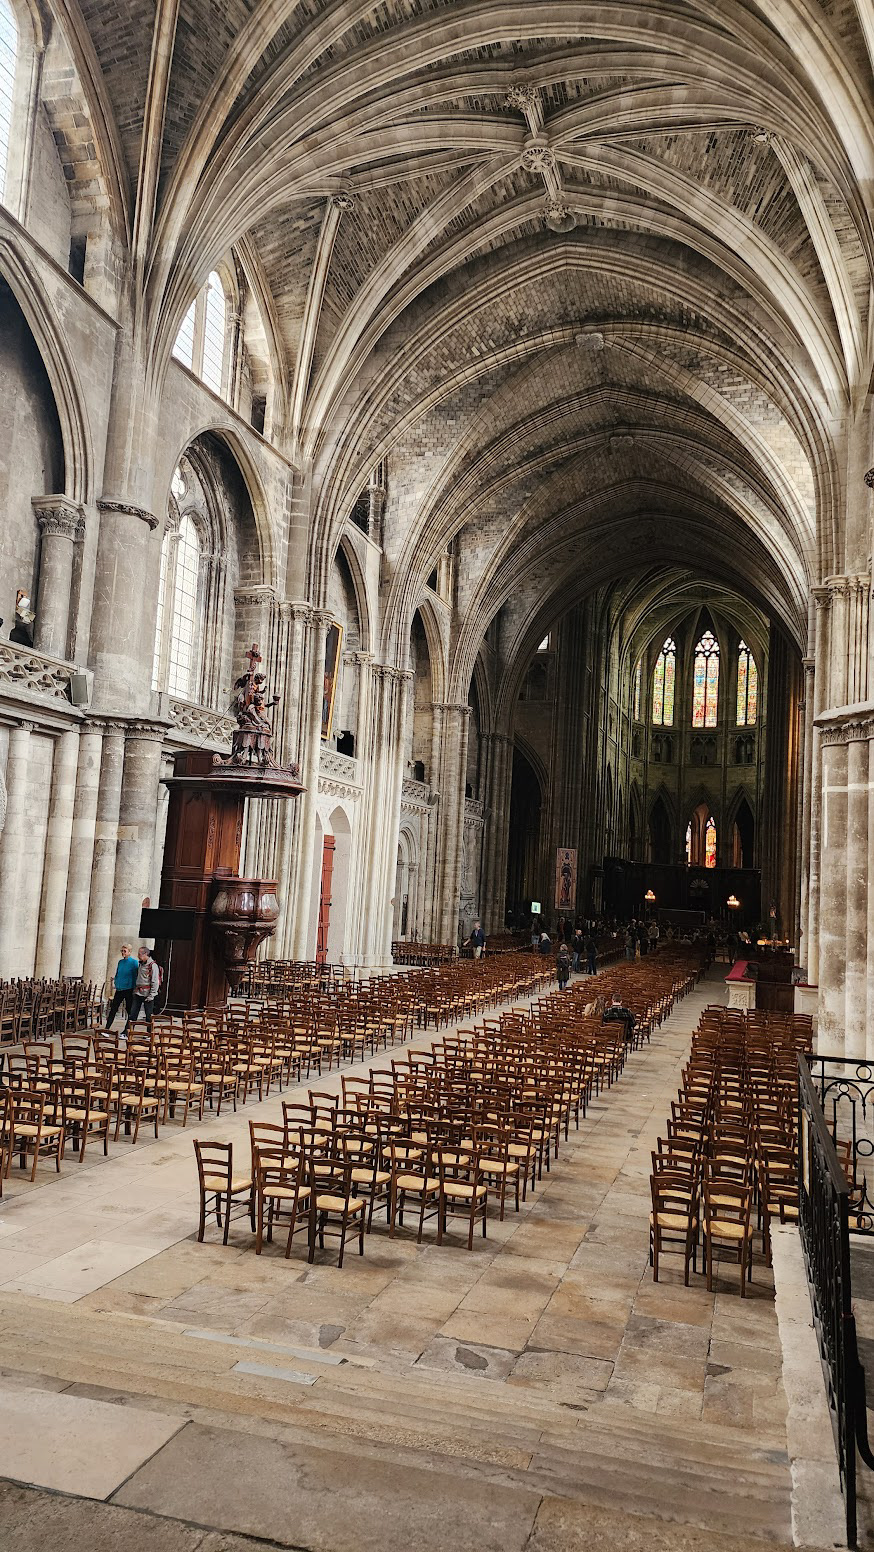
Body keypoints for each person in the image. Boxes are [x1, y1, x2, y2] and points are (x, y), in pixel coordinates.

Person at [125, 946, 161, 1034]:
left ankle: (149, 1034)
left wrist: (152, 995)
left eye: (139, 954)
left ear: (145, 954)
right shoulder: (141, 964)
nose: (138, 956)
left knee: (149, 1016)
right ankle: (127, 1032)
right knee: (132, 1014)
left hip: (148, 994)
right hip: (138, 993)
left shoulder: (153, 966)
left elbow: (155, 981)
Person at [105, 943, 139, 1031]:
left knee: (129, 1011)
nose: (123, 952)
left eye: (125, 951)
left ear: (129, 952)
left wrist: (134, 988)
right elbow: (118, 973)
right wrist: (116, 981)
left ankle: (127, 1031)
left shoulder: (134, 962)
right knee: (113, 1009)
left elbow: (136, 976)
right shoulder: (120, 962)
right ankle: (107, 1028)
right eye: (122, 951)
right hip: (119, 989)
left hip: (129, 989)